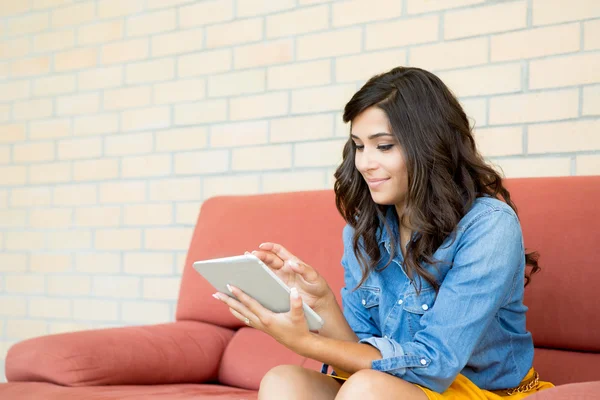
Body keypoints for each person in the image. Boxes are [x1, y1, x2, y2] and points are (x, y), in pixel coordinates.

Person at [212, 66, 554, 399]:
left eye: (384, 146)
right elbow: (361, 353)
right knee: (284, 380)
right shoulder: (364, 231)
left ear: (430, 145)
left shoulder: (488, 225)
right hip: (389, 388)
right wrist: (323, 303)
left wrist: (305, 342)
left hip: (483, 392)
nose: (364, 163)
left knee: (367, 389)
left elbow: (433, 364)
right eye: (359, 146)